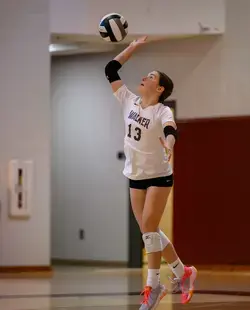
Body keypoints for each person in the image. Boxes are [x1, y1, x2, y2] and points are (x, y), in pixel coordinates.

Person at [104, 36, 197, 309]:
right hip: (135, 176)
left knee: (148, 231)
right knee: (150, 230)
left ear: (160, 88)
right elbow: (111, 69)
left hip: (158, 176)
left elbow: (171, 131)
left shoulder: (162, 110)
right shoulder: (128, 100)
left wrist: (169, 146)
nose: (144, 77)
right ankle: (183, 273)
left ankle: (153, 284)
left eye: (151, 76)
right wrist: (131, 48)